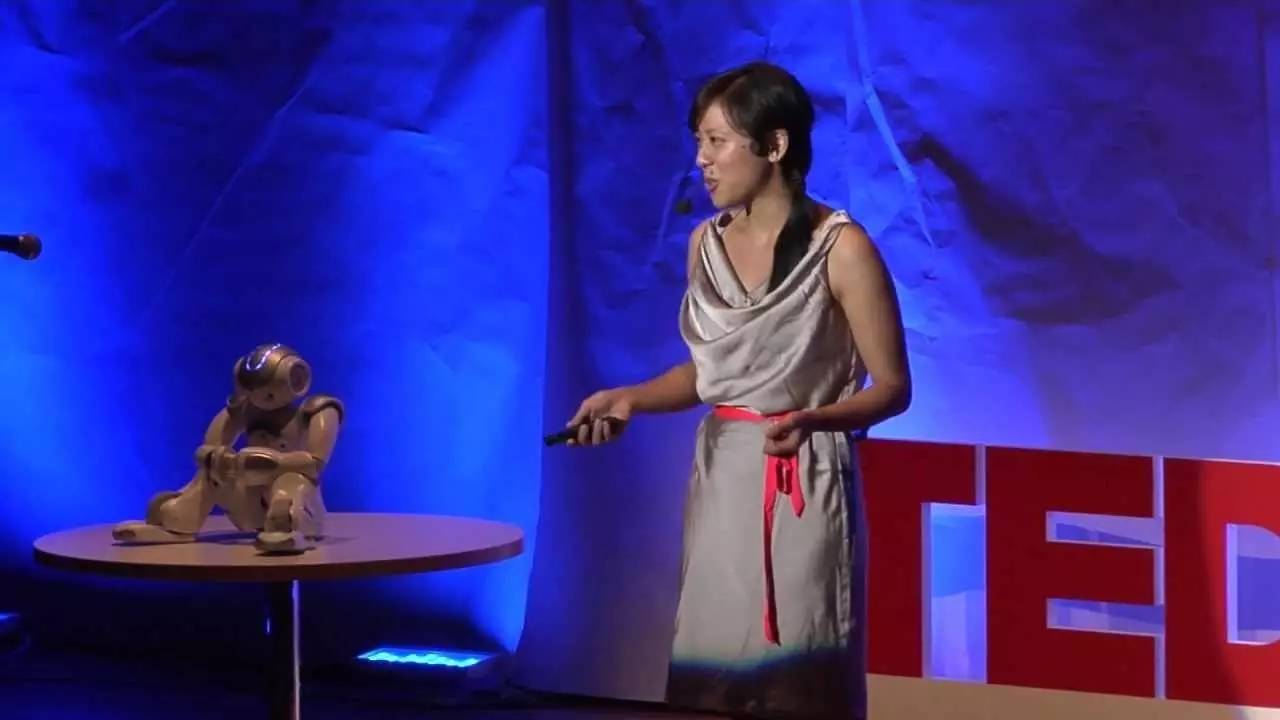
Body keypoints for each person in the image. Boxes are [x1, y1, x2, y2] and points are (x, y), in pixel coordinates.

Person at [567, 61, 911, 719]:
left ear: (774, 145)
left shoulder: (842, 248)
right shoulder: (704, 244)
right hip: (724, 473)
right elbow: (712, 375)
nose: (702, 159)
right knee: (712, 666)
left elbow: (893, 387)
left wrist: (814, 420)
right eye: (699, 141)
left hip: (802, 477)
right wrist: (631, 398)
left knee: (799, 670)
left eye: (717, 141)